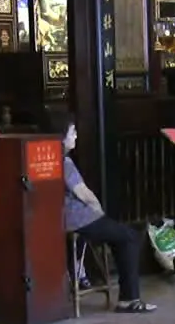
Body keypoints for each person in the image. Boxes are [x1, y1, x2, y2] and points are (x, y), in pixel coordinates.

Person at [54, 113, 156, 313]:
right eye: (73, 133)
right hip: (80, 220)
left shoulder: (47, 159)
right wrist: (99, 211)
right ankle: (129, 299)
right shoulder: (64, 162)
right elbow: (83, 193)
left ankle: (127, 295)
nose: (75, 137)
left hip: (61, 219)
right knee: (129, 236)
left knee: (121, 235)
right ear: (62, 136)